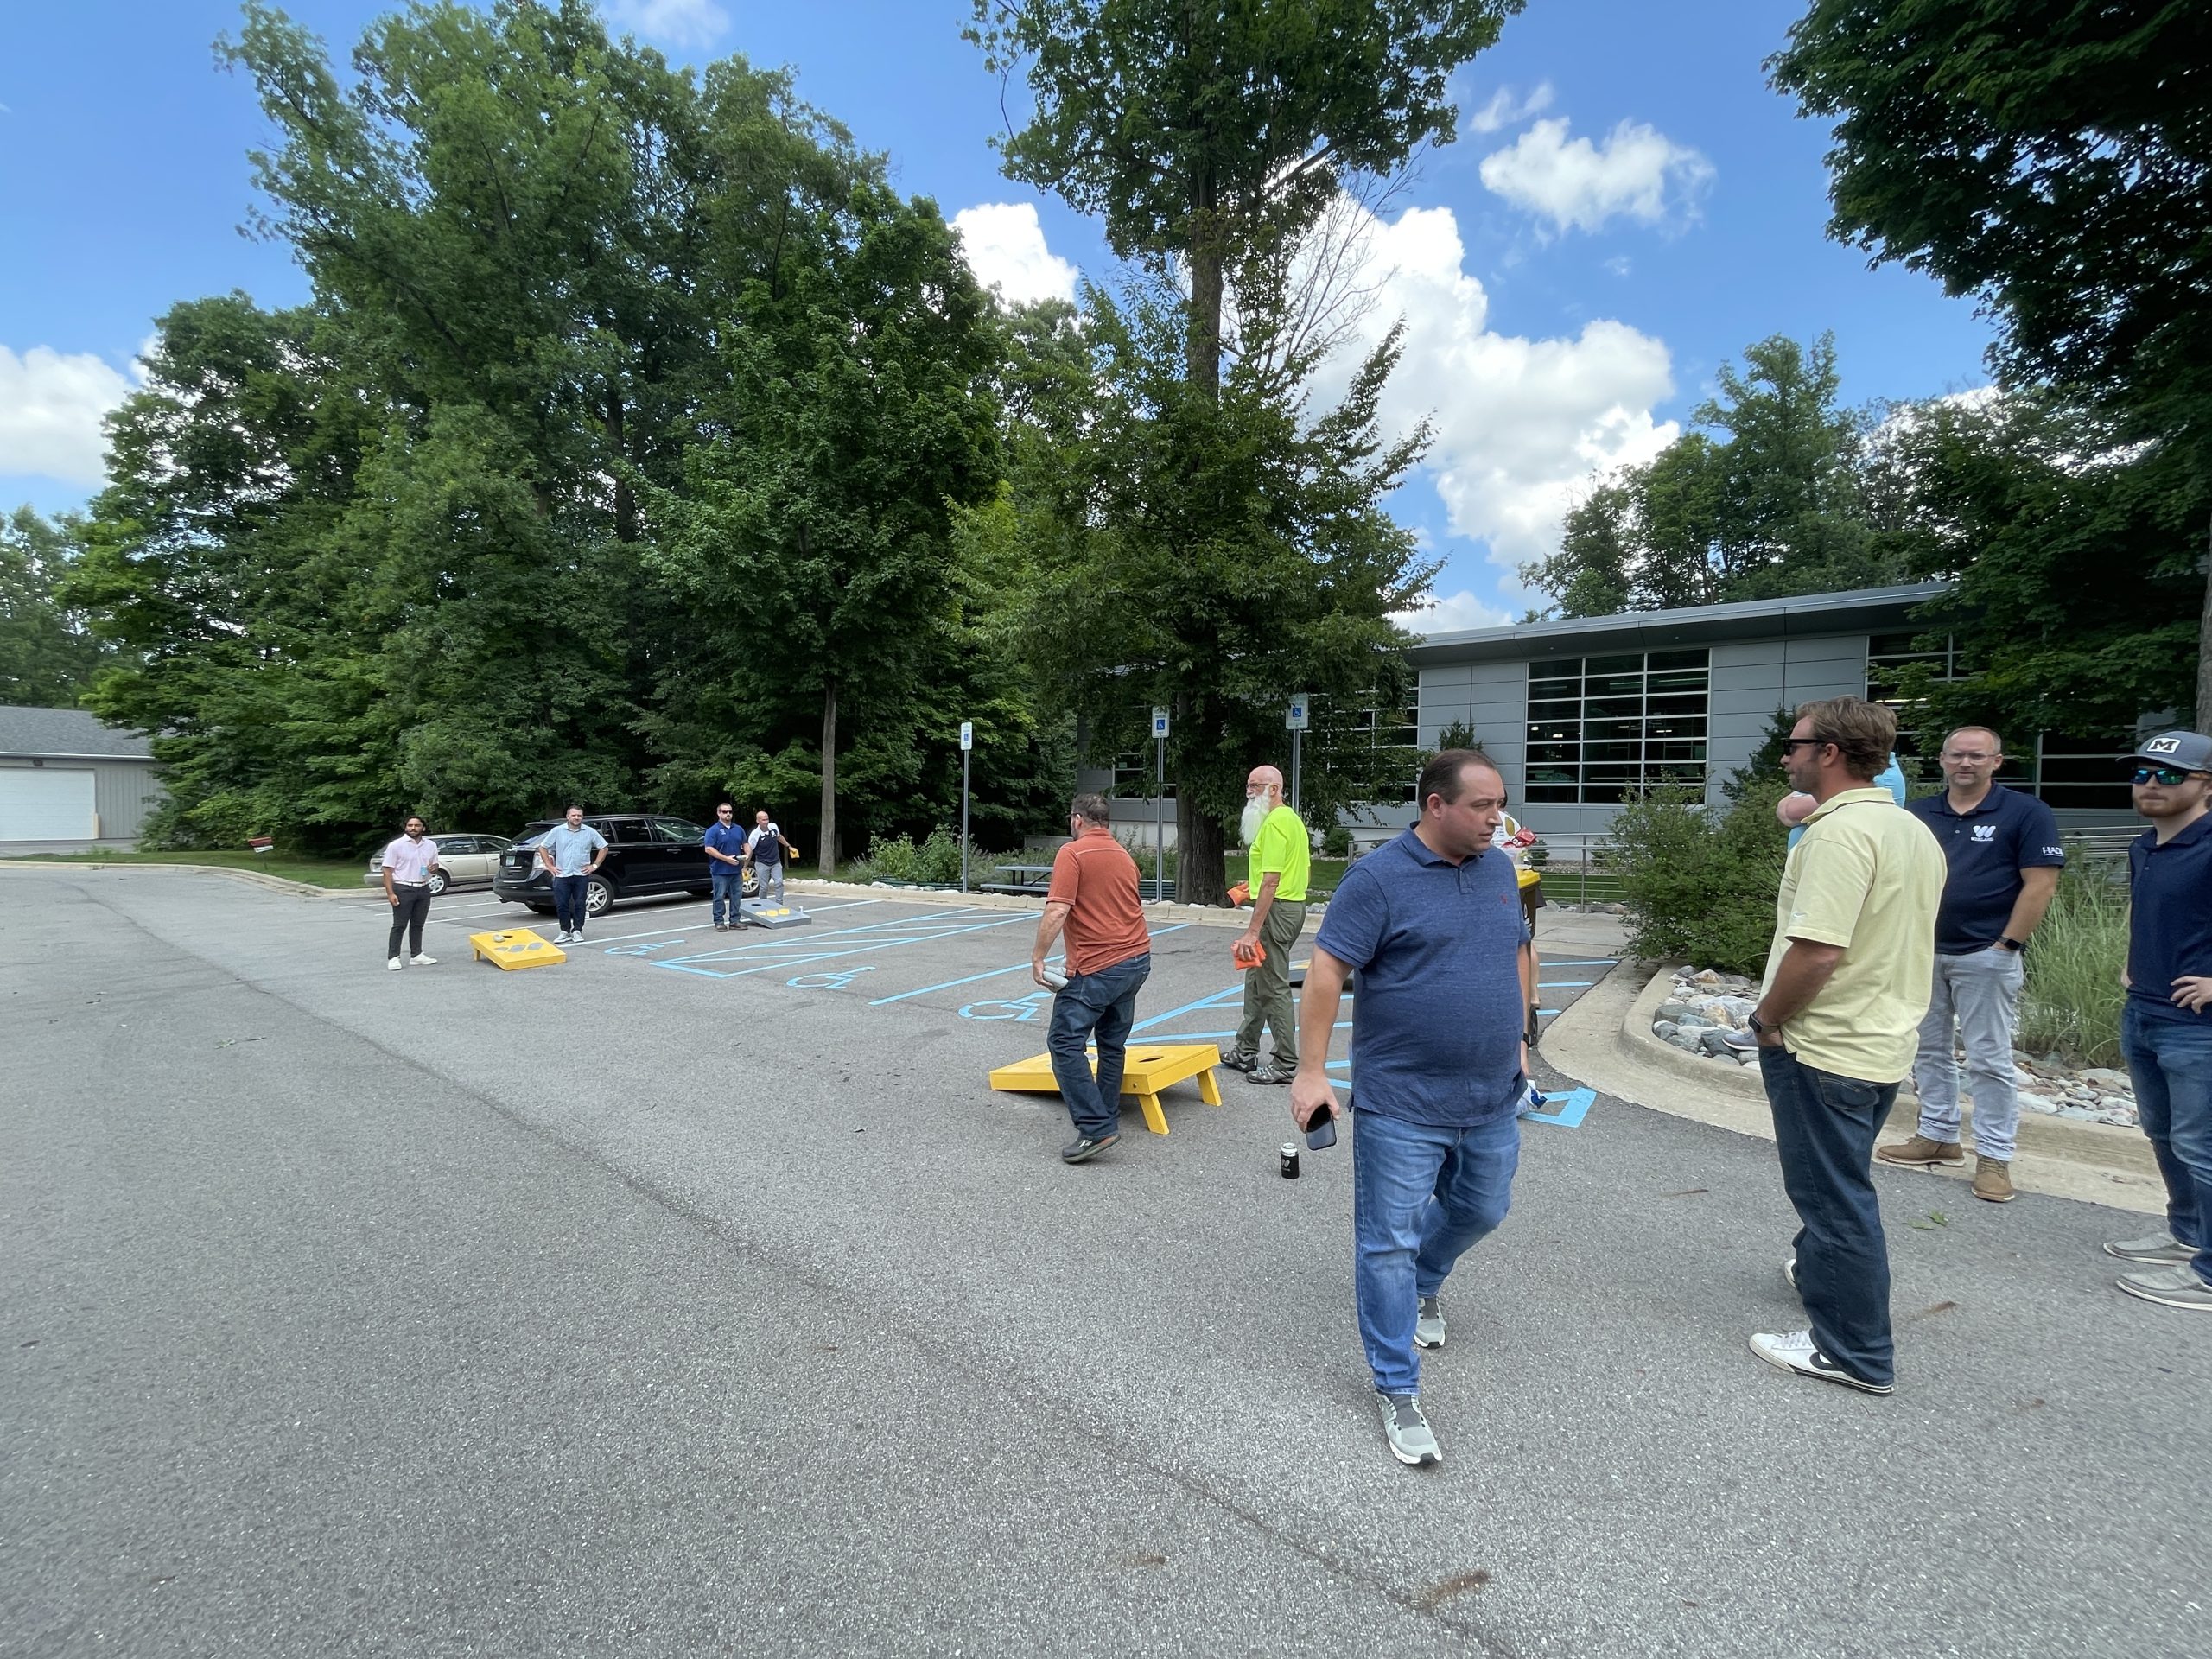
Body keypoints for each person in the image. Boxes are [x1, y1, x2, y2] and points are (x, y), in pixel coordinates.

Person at [1288, 748, 1537, 1467]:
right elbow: (1329, 970)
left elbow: (1519, 949)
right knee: (1385, 1243)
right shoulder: (1378, 879)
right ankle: (1397, 1388)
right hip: (1402, 1102)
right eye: (1483, 806)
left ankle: (1428, 1284)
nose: (1499, 818)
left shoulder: (1498, 868)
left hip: (1491, 1094)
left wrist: (1522, 1038)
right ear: (1436, 806)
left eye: (1500, 803)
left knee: (1483, 1209)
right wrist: (1311, 1073)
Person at [1743, 697, 1944, 1395]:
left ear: (1829, 752)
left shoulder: (1837, 835)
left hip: (1825, 1046)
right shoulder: (1909, 829)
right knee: (1841, 1180)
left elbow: (1819, 952)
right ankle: (1820, 1271)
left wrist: (1767, 1019)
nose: (1786, 756)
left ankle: (1852, 1351)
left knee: (1833, 1198)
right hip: (1880, 1041)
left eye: (1794, 745)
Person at [1876, 728, 2065, 1202]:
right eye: (1957, 755)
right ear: (1941, 760)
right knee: (1928, 1049)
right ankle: (1938, 1135)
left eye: (1977, 756)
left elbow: (2039, 884)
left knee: (1989, 1058)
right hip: (1922, 951)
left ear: (1996, 762)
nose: (1966, 763)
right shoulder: (1917, 814)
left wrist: (2007, 944)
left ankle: (1995, 1157)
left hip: (1986, 955)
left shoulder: (2026, 813)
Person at [2105, 729, 2212, 1312]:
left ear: (2206, 786)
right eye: (2143, 773)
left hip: (2199, 1025)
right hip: (2145, 1009)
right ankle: (2187, 1232)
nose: (2150, 784)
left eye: (2169, 775)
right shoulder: (2144, 845)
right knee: (2165, 1133)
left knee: (2203, 1145)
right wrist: (2131, 963)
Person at [1030, 792, 1152, 1165]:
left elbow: (1057, 911)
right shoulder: (1123, 856)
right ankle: (1107, 1114)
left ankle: (1096, 1128)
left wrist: (1038, 958)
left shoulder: (1073, 853)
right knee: (1112, 1044)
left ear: (1077, 820)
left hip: (1098, 966)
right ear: (1107, 821)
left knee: (1065, 1042)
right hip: (1137, 959)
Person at [1221, 765, 1310, 1085]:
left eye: (1255, 787)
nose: (1249, 793)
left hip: (1277, 911)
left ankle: (1285, 1063)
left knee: (1272, 987)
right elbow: (1274, 875)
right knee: (1256, 980)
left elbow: (1272, 881)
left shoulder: (1274, 824)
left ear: (1274, 789)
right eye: (1248, 786)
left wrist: (1253, 930)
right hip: (1287, 906)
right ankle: (1244, 1050)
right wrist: (1253, 886)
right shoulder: (1290, 820)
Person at [1777, 749, 1906, 844]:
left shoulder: (1877, 777)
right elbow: (1783, 809)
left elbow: (1791, 811)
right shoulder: (1852, 770)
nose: (1784, 759)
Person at [380, 815, 443, 970]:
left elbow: (435, 865)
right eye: (410, 825)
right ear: (405, 827)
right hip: (403, 887)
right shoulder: (396, 846)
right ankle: (393, 957)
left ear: (423, 828)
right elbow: (387, 871)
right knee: (399, 925)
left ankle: (416, 955)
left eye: (417, 825)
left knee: (418, 924)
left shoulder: (431, 845)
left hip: (423, 887)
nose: (413, 828)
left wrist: (433, 869)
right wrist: (390, 893)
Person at [537, 806, 607, 944]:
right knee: (562, 904)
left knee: (580, 904)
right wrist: (550, 866)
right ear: (568, 817)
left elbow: (604, 847)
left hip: (581, 874)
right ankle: (565, 931)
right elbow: (543, 847)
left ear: (582, 817)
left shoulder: (589, 832)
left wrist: (594, 865)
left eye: (579, 816)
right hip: (562, 874)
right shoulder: (557, 831)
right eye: (574, 815)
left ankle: (577, 931)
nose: (576, 818)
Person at [702, 801, 749, 931]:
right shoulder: (713, 830)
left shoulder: (738, 829)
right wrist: (726, 859)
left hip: (736, 870)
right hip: (720, 870)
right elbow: (709, 849)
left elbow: (746, 844)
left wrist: (747, 854)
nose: (728, 814)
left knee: (737, 896)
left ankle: (735, 920)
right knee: (719, 896)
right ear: (718, 813)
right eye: (724, 812)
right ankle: (719, 921)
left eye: (730, 812)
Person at [747, 810, 798, 905]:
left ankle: (779, 905)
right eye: (763, 820)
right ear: (758, 821)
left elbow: (779, 837)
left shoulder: (773, 827)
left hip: (775, 862)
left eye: (767, 819)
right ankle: (762, 904)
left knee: (779, 883)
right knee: (764, 887)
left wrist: (789, 847)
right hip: (762, 863)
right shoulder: (754, 835)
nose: (766, 822)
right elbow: (750, 851)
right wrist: (745, 866)